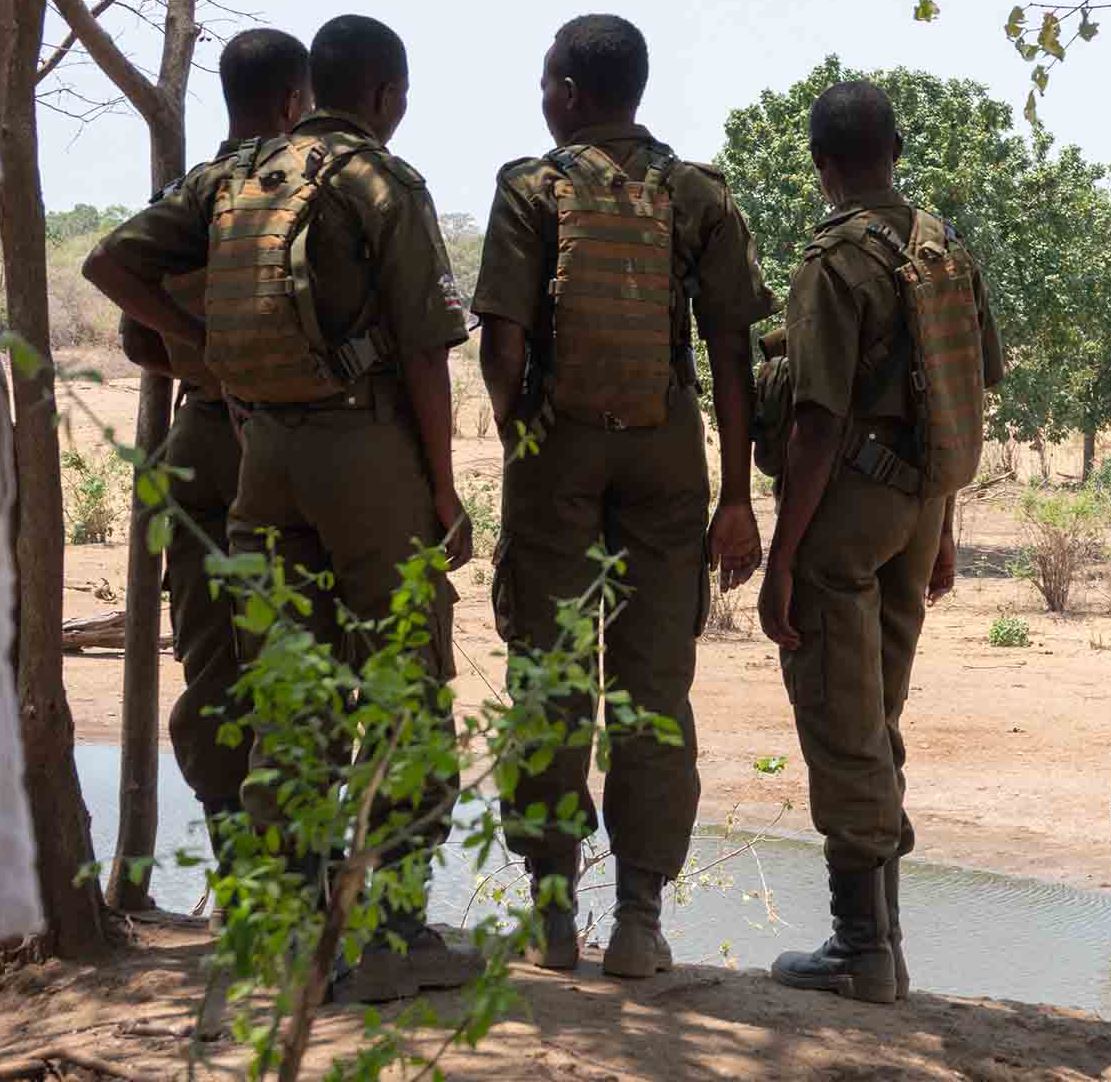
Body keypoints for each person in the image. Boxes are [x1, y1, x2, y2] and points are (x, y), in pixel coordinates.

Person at [85, 14, 477, 1004]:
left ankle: (284, 935)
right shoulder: (380, 181)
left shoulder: (231, 178)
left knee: (282, 691)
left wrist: (199, 340)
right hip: (360, 450)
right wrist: (441, 488)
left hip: (259, 454)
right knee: (402, 676)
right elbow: (427, 353)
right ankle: (391, 932)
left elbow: (112, 264)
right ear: (383, 94)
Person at [473, 13, 772, 976]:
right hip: (668, 458)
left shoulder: (531, 187)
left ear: (564, 89)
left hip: (555, 457)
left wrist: (524, 437)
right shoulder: (695, 193)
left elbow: (502, 343)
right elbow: (729, 349)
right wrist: (736, 496)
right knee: (653, 692)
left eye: (544, 80)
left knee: (549, 682)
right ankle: (639, 922)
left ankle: (554, 919)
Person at [759, 80, 1002, 1005]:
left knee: (841, 716)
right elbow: (965, 385)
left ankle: (862, 950)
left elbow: (817, 421)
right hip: (919, 505)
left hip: (852, 508)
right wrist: (939, 523)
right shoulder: (941, 247)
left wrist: (784, 557)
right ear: (895, 149)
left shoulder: (834, 261)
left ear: (821, 164)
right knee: (879, 713)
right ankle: (886, 943)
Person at [86, 28, 311, 897]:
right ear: (295, 100)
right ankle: (294, 885)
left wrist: (200, 347)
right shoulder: (300, 188)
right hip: (281, 445)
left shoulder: (192, 192)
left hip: (202, 437)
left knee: (213, 666)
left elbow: (128, 316)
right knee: (293, 659)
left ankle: (236, 880)